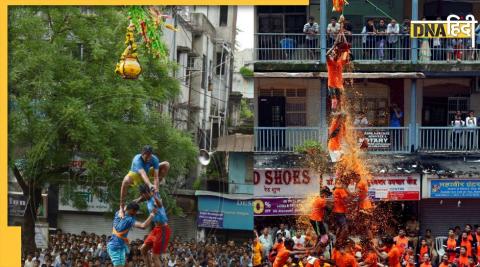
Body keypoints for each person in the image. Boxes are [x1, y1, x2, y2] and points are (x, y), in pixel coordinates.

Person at [119, 145, 170, 218]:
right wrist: (150, 185)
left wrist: (156, 189)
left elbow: (155, 177)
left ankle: (152, 191)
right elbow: (142, 174)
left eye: (150, 156)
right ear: (142, 154)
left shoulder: (154, 159)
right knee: (125, 181)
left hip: (148, 172)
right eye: (147, 156)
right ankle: (121, 208)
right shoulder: (137, 159)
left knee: (166, 164)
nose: (148, 158)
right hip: (136, 175)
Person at [107, 202, 155, 267]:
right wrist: (152, 214)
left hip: (118, 246)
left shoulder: (118, 212)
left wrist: (140, 199)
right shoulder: (129, 220)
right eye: (136, 212)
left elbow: (130, 204)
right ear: (132, 210)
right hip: (116, 248)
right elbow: (143, 226)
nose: (136, 213)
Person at [332, 179, 350, 244]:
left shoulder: (335, 190)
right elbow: (346, 199)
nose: (339, 183)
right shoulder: (340, 190)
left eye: (340, 182)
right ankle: (339, 241)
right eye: (338, 182)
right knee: (345, 227)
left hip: (336, 211)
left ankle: (337, 240)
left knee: (339, 227)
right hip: (340, 212)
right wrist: (352, 195)